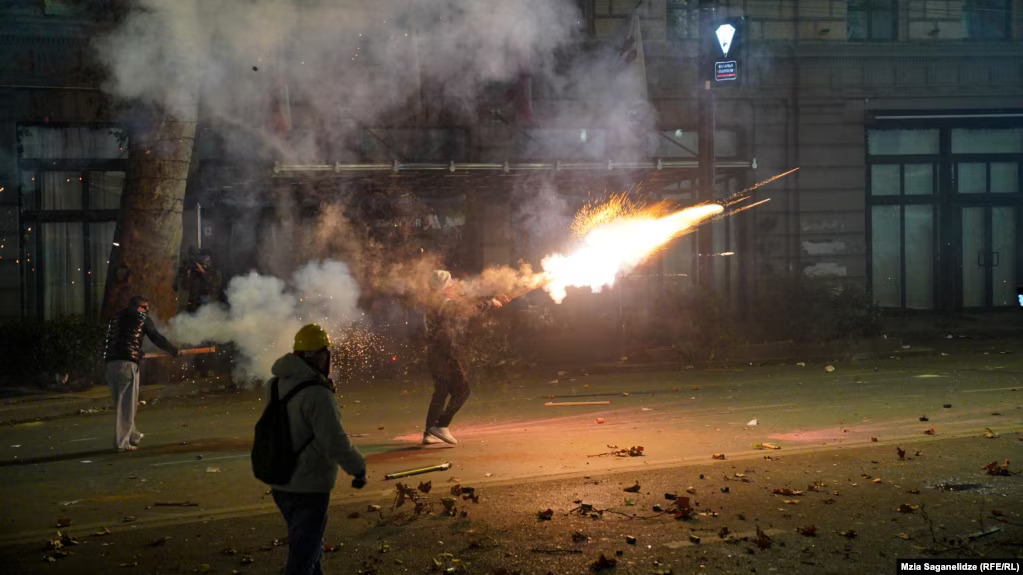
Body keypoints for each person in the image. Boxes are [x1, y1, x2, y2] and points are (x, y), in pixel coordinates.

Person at [268, 323, 367, 575]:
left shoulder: (278, 383)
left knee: (308, 548)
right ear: (318, 356)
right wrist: (358, 467)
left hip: (280, 479)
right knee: (304, 558)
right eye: (325, 354)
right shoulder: (318, 393)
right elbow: (334, 441)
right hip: (308, 484)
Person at [421, 270, 507, 446]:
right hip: (445, 354)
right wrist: (491, 303)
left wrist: (492, 300)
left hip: (435, 354)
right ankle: (441, 426)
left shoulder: (433, 303)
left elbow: (464, 305)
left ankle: (429, 433)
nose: (453, 285)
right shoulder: (444, 304)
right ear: (444, 287)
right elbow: (467, 309)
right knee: (463, 390)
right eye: (450, 283)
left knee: (441, 392)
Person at [103, 295, 179, 453]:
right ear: (139, 307)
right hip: (127, 364)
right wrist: (173, 350)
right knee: (127, 405)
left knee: (122, 403)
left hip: (111, 363)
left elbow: (120, 340)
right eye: (145, 307)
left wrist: (138, 351)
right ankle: (122, 443)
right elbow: (156, 338)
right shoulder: (142, 317)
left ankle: (132, 436)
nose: (147, 310)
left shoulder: (116, 318)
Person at [183, 248, 223, 313]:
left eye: (207, 258)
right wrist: (187, 274)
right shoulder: (194, 272)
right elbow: (185, 287)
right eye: (202, 258)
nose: (205, 261)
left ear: (210, 260)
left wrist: (203, 272)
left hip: (209, 307)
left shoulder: (215, 272)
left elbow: (215, 284)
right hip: (194, 307)